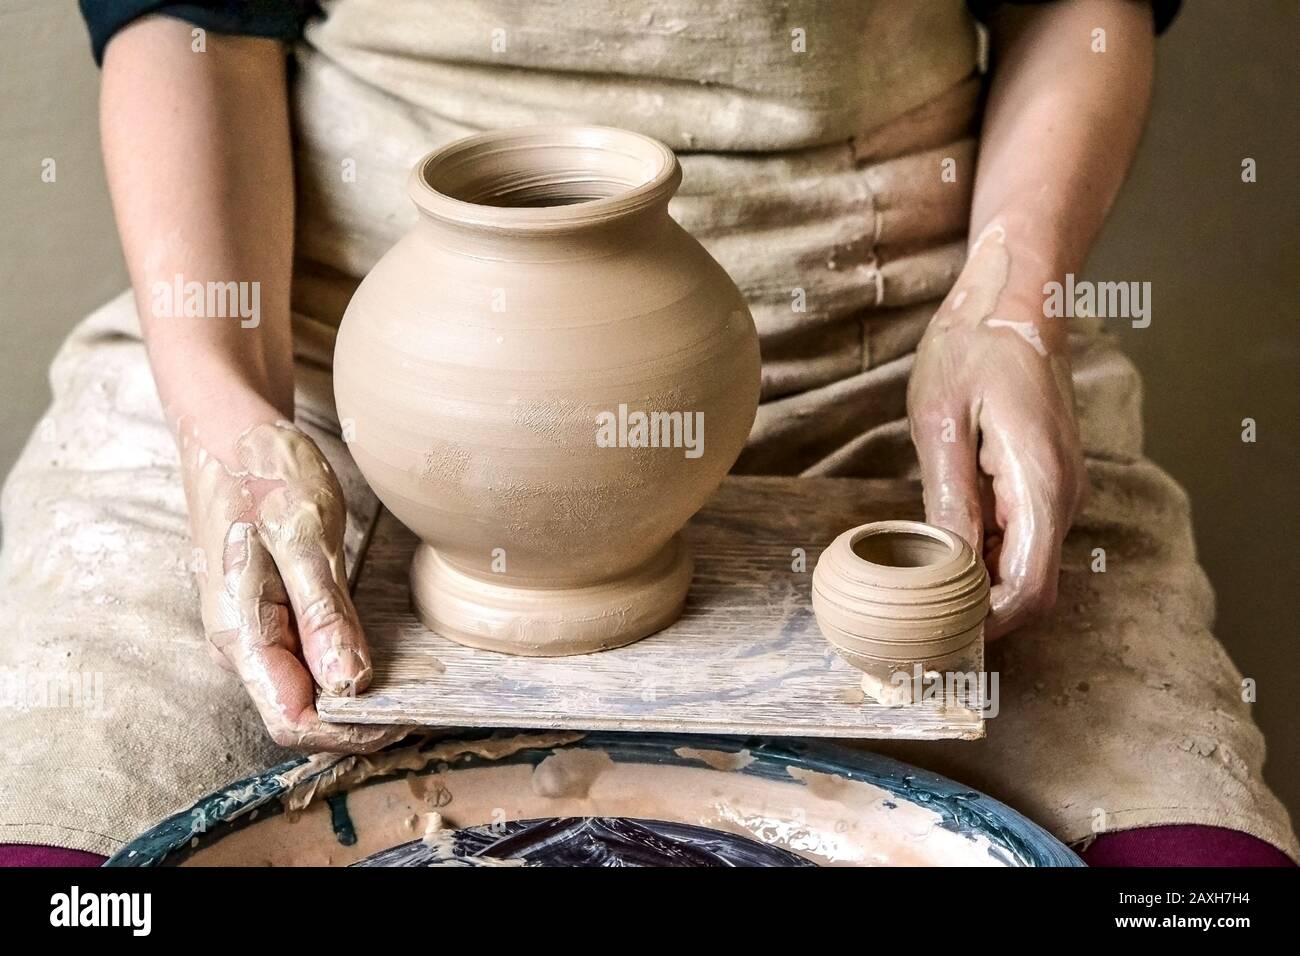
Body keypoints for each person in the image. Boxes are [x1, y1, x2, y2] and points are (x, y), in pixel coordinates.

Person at [0, 0, 1293, 866]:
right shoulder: (266, 392)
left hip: (896, 357)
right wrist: (221, 403)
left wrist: (1012, 303)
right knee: (62, 856)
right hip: (320, 376)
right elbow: (186, 18)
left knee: (1188, 882)